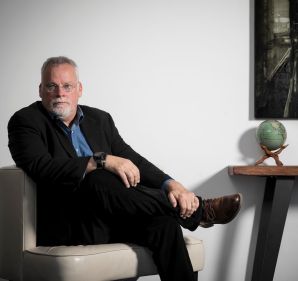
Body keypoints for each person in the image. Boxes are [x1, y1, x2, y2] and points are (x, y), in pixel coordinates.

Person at [8, 56, 242, 281]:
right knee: (97, 177)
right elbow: (41, 167)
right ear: (40, 90)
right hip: (70, 222)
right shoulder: (25, 121)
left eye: (67, 86)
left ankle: (186, 209)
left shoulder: (100, 119)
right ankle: (200, 210)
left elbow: (132, 160)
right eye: (52, 86)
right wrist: (101, 160)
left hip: (114, 217)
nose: (60, 93)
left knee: (165, 224)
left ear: (79, 89)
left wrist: (172, 184)